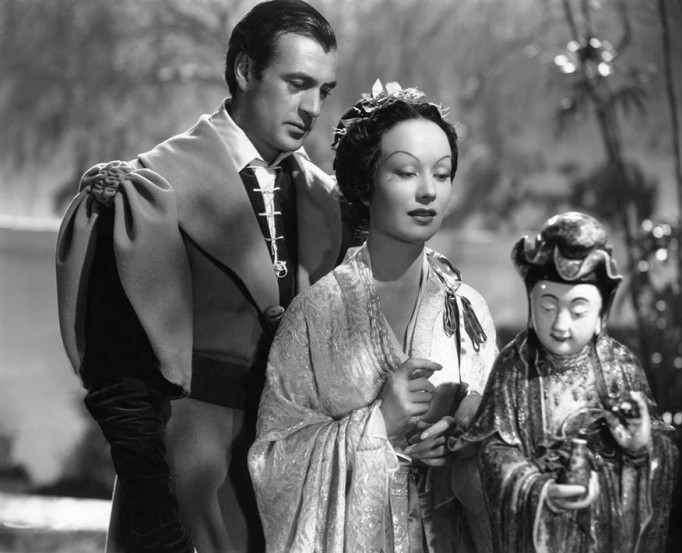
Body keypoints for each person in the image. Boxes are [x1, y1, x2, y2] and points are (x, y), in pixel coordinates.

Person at [54, 1, 341, 552]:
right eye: (297, 83)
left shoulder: (329, 202)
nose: (311, 108)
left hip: (295, 487)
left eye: (324, 91)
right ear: (244, 70)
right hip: (184, 484)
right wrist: (156, 522)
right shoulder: (148, 189)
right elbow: (119, 384)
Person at [248, 80, 499, 552]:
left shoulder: (469, 310)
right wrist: (381, 423)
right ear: (364, 185)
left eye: (442, 174)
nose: (428, 191)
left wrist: (465, 442)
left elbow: (504, 433)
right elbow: (275, 462)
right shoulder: (317, 313)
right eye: (405, 172)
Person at [451, 212, 678, 553]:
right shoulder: (513, 368)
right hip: (535, 534)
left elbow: (661, 453)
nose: (560, 324)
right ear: (531, 302)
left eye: (578, 310)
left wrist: (639, 447)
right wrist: (538, 489)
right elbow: (495, 452)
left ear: (601, 313)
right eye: (548, 307)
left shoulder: (619, 367)